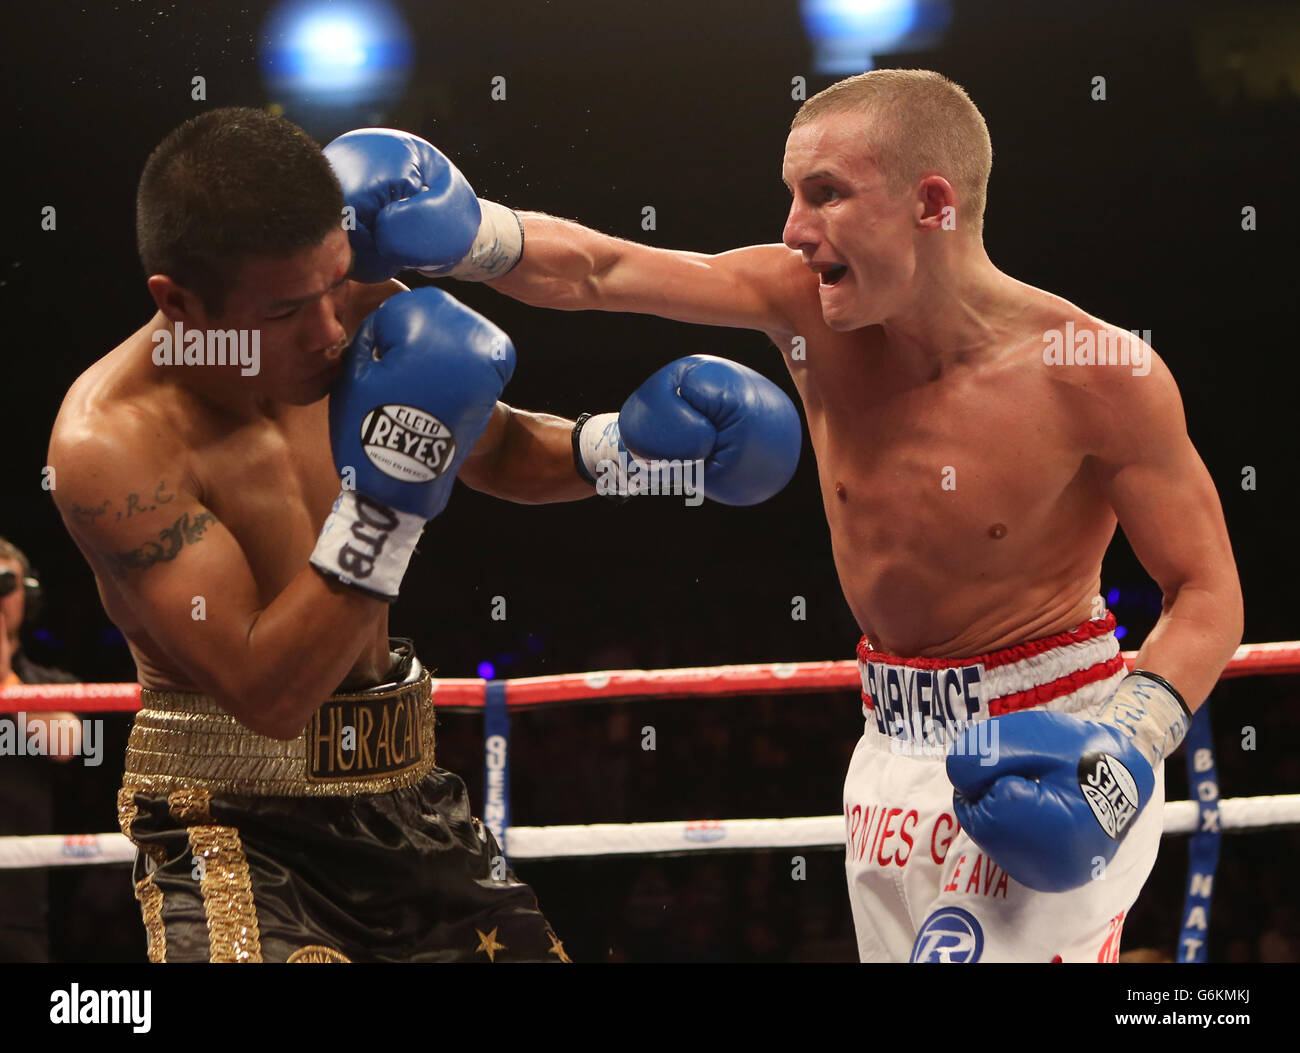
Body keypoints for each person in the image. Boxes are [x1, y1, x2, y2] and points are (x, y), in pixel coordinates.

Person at [327, 67, 1244, 962]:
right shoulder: (805, 308)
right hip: (888, 745)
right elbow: (602, 270)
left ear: (933, 203)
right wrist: (468, 232)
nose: (794, 229)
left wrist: (1126, 742)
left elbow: (1205, 590)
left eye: (827, 194)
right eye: (792, 195)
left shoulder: (1096, 370)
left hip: (1054, 733)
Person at [46, 107, 800, 963]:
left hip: (406, 787)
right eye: (288, 308)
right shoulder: (112, 443)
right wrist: (388, 503)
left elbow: (494, 445)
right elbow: (270, 696)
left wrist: (624, 449)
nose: (332, 330)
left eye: (336, 284)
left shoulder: (352, 297)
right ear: (179, 302)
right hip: (233, 819)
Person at [0, 536, 80, 961]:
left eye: (4, 584)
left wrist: (6, 681)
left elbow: (67, 744)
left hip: (18, 907)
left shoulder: (50, 683)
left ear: (27, 597)